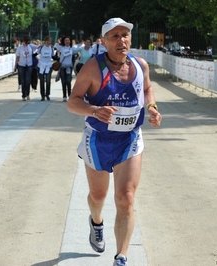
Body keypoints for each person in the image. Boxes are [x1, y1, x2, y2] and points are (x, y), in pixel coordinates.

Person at [67, 17, 162, 266]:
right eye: (115, 36)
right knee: (98, 196)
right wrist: (94, 110)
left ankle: (121, 256)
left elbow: (148, 89)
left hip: (129, 139)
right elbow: (72, 102)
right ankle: (96, 222)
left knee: (126, 197)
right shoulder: (93, 68)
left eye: (125, 35)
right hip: (98, 139)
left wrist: (151, 107)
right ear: (104, 41)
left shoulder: (140, 65)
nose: (122, 40)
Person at [14, 35, 35, 101]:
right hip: (21, 65)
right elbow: (17, 57)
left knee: (28, 80)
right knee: (23, 80)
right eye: (25, 42)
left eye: (27, 42)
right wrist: (15, 65)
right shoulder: (20, 48)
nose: (26, 44)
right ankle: (23, 94)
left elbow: (39, 47)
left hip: (29, 65)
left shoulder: (31, 47)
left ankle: (27, 94)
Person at [57, 36, 78, 101]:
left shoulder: (72, 48)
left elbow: (79, 49)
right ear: (63, 41)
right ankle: (64, 96)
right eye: (66, 40)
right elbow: (55, 46)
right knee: (63, 81)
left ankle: (69, 94)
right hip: (62, 66)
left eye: (68, 40)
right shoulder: (61, 47)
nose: (67, 42)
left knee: (68, 81)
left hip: (69, 66)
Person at [37, 35, 55, 101]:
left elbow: (53, 56)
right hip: (41, 65)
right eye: (48, 41)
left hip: (48, 65)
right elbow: (35, 53)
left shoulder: (51, 48)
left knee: (48, 81)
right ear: (45, 41)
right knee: (41, 81)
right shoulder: (41, 48)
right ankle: (42, 95)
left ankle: (47, 94)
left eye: (50, 41)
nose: (49, 42)